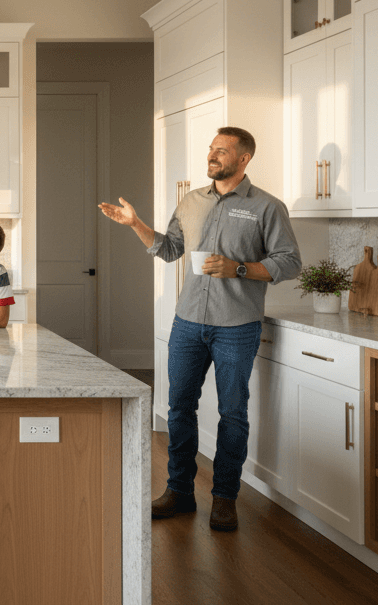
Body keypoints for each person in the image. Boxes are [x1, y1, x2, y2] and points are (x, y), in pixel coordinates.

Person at [98, 126, 300, 532]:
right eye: (211, 149)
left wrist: (238, 268)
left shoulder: (267, 207)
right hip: (188, 321)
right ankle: (179, 491)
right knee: (178, 408)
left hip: (236, 326)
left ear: (243, 159)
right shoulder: (190, 202)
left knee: (233, 413)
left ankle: (225, 498)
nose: (213, 156)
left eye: (222, 151)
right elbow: (170, 249)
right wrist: (135, 224)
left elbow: (290, 262)